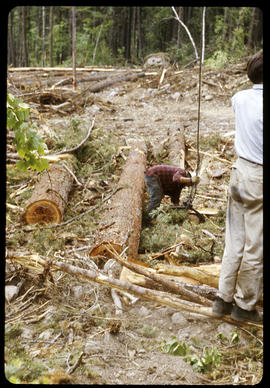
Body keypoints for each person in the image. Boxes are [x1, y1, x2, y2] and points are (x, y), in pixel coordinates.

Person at [212, 50, 263, 323]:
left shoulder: (240, 98)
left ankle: (222, 299)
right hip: (259, 177)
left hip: (239, 172)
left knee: (234, 241)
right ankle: (244, 307)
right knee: (255, 245)